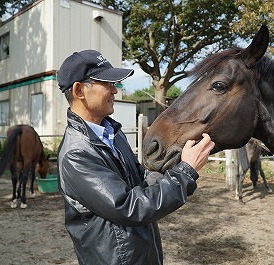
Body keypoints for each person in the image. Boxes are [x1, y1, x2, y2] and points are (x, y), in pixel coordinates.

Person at [56, 49, 215, 265]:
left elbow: (140, 177)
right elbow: (129, 207)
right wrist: (185, 173)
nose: (115, 90)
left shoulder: (112, 132)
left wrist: (178, 161)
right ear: (79, 90)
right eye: (107, 83)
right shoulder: (77, 154)